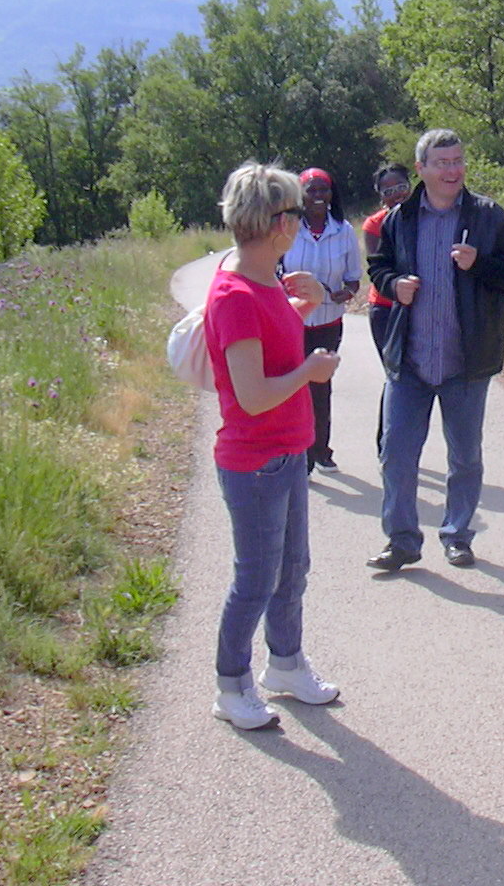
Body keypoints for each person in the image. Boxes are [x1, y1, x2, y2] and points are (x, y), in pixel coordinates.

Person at [204, 162, 343, 730]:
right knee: (255, 580)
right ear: (278, 222)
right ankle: (231, 686)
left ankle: (284, 665)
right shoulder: (235, 293)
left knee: (292, 570)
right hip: (255, 460)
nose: (304, 215)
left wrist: (304, 309)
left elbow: (271, 350)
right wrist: (310, 372)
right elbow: (253, 394)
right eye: (294, 209)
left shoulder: (265, 282)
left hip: (289, 450)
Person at [365, 129, 504, 571]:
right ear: (421, 168)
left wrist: (479, 263)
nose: (452, 170)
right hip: (411, 361)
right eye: (442, 163)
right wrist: (393, 284)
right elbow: (379, 266)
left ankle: (457, 534)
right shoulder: (400, 219)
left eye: (457, 161)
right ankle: (401, 540)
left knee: (464, 457)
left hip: (466, 362)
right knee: (397, 454)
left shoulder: (489, 216)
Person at [279, 167, 361, 474]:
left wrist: (347, 293)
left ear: (331, 194)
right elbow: (274, 270)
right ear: (299, 196)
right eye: (311, 191)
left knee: (320, 387)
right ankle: (296, 454)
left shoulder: (344, 230)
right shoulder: (287, 228)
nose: (318, 196)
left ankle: (321, 451)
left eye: (323, 190)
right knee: (291, 386)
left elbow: (354, 277)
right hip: (291, 322)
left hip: (328, 323)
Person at [361, 163, 412, 453]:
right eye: (388, 191)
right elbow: (380, 271)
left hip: (418, 306)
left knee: (412, 378)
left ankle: (400, 443)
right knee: (395, 375)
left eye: (401, 188)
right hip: (385, 309)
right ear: (381, 195)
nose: (396, 195)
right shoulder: (374, 224)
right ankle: (387, 444)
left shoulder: (426, 214)